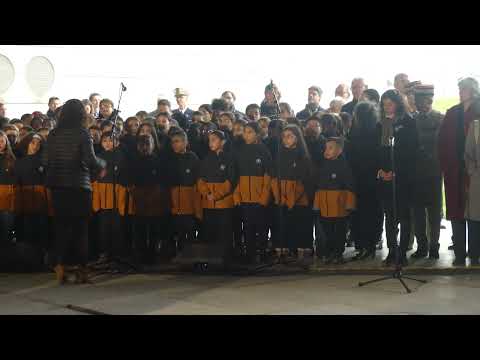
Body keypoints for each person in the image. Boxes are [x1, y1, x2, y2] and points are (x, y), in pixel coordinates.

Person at [44, 99, 107, 284]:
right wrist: (103, 164)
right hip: (79, 187)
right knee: (81, 230)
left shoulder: (53, 134)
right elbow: (90, 160)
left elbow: (45, 160)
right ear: (81, 114)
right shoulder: (83, 133)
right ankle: (82, 270)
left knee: (61, 229)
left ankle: (60, 267)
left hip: (58, 187)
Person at [439, 77, 480, 266]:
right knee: (456, 210)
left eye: (463, 89)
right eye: (459, 89)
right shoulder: (452, 112)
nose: (460, 92)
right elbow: (442, 142)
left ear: (473, 90)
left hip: (475, 171)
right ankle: (459, 253)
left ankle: (476, 253)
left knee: (475, 211)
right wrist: (446, 165)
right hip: (454, 170)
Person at [377, 90, 419, 266]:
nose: (387, 107)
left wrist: (396, 172)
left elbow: (411, 151)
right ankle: (392, 251)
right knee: (390, 217)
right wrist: (380, 170)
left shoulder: (407, 121)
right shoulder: (379, 123)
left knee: (403, 215)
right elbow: (375, 150)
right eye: (384, 104)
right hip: (384, 177)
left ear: (398, 104)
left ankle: (402, 252)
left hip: (402, 177)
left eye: (390, 103)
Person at [271, 125, 313, 261]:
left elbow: (304, 181)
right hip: (283, 197)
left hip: (299, 199)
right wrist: (280, 196)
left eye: (289, 136)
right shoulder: (279, 156)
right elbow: (275, 178)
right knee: (286, 225)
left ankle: (302, 252)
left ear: (297, 138)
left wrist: (292, 199)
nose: (285, 139)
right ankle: (287, 251)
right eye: (284, 136)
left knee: (300, 224)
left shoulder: (303, 157)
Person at [128, 134, 171, 265]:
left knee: (154, 228)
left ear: (153, 145)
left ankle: (153, 256)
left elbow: (163, 179)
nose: (144, 147)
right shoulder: (133, 161)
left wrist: (156, 192)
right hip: (138, 197)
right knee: (139, 228)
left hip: (155, 196)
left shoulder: (158, 161)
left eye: (147, 144)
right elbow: (129, 179)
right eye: (142, 144)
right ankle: (140, 256)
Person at [411, 85, 444, 260]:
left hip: (433, 171)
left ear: (430, 100)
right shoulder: (411, 119)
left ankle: (434, 246)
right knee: (417, 212)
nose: (418, 104)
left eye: (423, 100)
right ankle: (422, 245)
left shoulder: (439, 118)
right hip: (416, 173)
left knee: (434, 212)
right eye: (417, 100)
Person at [347, 102, 383, 260]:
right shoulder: (377, 130)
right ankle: (369, 245)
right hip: (371, 178)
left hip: (361, 178)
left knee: (361, 213)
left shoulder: (356, 132)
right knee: (371, 213)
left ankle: (364, 246)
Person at [233, 122, 272, 264]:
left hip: (259, 199)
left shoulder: (263, 150)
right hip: (245, 199)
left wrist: (264, 197)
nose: (246, 134)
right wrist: (237, 195)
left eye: (249, 132)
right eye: (244, 132)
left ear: (257, 134)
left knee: (261, 227)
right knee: (247, 228)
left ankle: (262, 252)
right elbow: (237, 176)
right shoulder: (240, 151)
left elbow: (268, 176)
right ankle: (249, 254)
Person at [197, 130, 236, 268]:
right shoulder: (206, 159)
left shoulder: (229, 158)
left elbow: (230, 181)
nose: (211, 142)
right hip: (208, 203)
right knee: (209, 232)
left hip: (224, 204)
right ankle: (211, 261)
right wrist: (206, 193)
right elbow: (200, 180)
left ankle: (225, 261)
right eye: (209, 140)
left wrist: (217, 195)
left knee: (224, 233)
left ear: (223, 142)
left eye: (214, 139)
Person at [313, 137, 355, 264]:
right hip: (324, 205)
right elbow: (318, 187)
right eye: (326, 148)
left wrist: (349, 205)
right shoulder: (322, 166)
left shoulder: (344, 167)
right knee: (327, 231)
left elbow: (350, 186)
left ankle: (338, 253)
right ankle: (329, 253)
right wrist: (316, 205)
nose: (327, 151)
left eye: (330, 148)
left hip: (339, 206)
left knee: (339, 231)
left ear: (340, 150)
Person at [91, 132, 129, 263]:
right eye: (105, 141)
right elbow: (96, 176)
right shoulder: (99, 157)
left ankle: (118, 253)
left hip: (117, 194)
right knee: (103, 226)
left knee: (117, 226)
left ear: (117, 142)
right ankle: (104, 252)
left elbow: (122, 174)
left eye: (111, 140)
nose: (108, 143)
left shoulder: (121, 156)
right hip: (102, 195)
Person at [14, 133, 50, 257]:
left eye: (39, 143)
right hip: (25, 197)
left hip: (41, 198)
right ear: (27, 143)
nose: (36, 146)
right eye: (33, 143)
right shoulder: (19, 162)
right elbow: (17, 183)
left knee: (43, 227)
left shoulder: (44, 162)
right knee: (27, 227)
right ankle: (30, 257)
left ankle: (43, 257)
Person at [168, 130, 201, 256]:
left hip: (189, 202)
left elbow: (197, 180)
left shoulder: (192, 158)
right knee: (178, 231)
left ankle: (191, 256)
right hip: (175, 202)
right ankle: (179, 255)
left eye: (177, 141)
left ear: (185, 142)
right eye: (172, 142)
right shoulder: (170, 159)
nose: (174, 145)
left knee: (190, 230)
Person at [465, 119, 480, 265]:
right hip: (478, 178)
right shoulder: (475, 126)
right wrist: (473, 172)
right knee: (475, 217)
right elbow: (468, 153)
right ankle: (475, 254)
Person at [0, 131, 16, 246]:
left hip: (7, 198)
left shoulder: (11, 159)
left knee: (6, 227)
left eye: (1, 141)